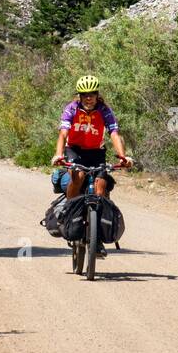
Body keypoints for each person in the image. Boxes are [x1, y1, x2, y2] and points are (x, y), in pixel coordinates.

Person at [53, 75, 131, 254]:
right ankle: (69, 211)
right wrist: (58, 154)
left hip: (96, 152)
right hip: (74, 150)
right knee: (78, 176)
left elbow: (113, 133)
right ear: (79, 95)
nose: (89, 98)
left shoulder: (104, 110)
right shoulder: (71, 109)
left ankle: (97, 237)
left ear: (97, 95)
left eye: (92, 94)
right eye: (85, 94)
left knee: (101, 187)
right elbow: (63, 134)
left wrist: (122, 156)